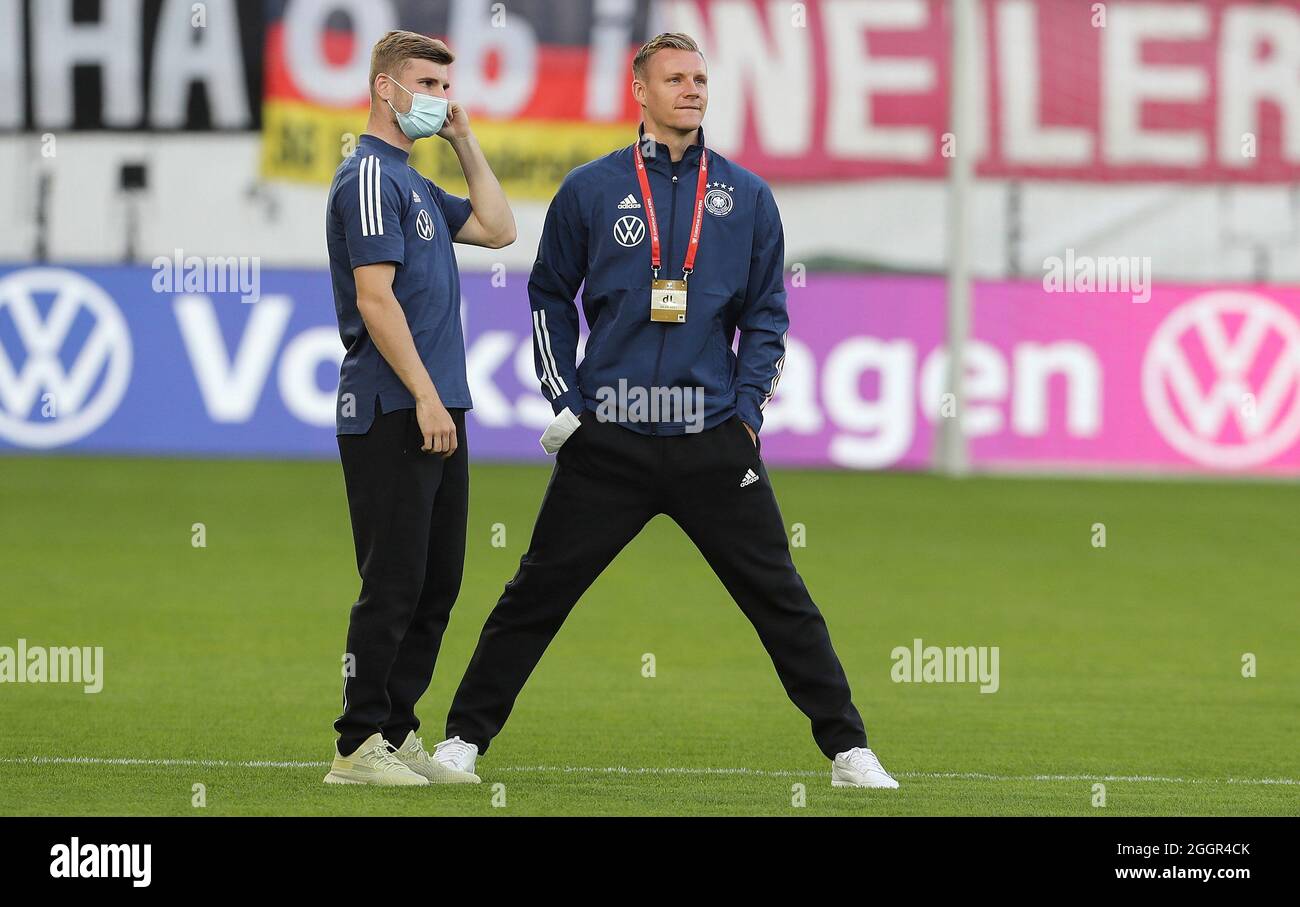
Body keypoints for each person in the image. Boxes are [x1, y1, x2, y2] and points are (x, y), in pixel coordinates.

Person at [431, 33, 897, 789]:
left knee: (781, 599)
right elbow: (549, 292)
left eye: (701, 78)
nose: (692, 89)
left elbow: (768, 316)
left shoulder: (746, 196)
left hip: (711, 438)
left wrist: (746, 412)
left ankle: (849, 750)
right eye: (675, 78)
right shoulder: (589, 188)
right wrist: (566, 400)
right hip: (609, 439)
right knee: (536, 593)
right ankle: (463, 739)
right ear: (639, 91)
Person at [321, 29, 515, 786]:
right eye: (426, 85)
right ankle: (355, 743)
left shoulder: (416, 184)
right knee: (394, 579)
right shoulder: (367, 177)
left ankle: (397, 730)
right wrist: (427, 395)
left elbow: (499, 229)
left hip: (439, 408)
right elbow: (375, 299)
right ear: (384, 89)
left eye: (445, 87)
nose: (439, 98)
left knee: (439, 580)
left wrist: (465, 142)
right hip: (394, 408)